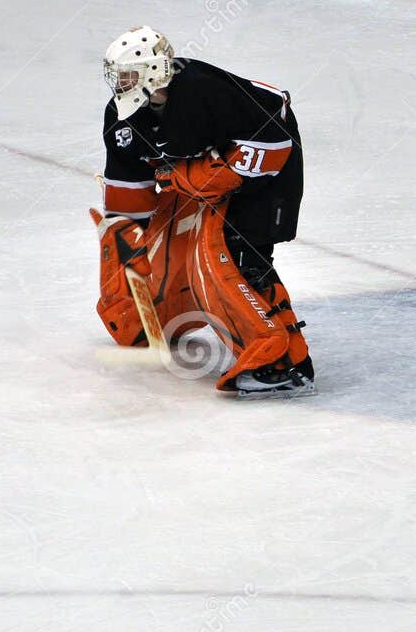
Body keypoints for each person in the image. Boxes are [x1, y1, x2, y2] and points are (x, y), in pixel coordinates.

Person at [95, 29, 313, 399]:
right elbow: (129, 189)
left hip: (267, 175)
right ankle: (164, 314)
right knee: (171, 242)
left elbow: (275, 140)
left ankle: (285, 364)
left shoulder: (202, 91)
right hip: (204, 178)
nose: (119, 84)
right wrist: (125, 241)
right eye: (117, 75)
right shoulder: (122, 116)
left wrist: (213, 174)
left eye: (128, 75)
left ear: (152, 73)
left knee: (238, 251)